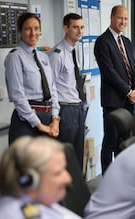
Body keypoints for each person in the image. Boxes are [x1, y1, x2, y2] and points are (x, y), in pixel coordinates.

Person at [94, 5, 135, 174]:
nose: (123, 22)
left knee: (125, 142)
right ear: (112, 17)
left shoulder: (126, 42)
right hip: (113, 102)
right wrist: (128, 92)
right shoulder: (102, 41)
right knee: (110, 142)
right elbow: (109, 72)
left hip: (129, 102)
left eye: (126, 19)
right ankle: (107, 179)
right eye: (120, 18)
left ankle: (123, 176)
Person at [0, 136, 80, 219]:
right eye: (58, 173)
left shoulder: (45, 203)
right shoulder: (12, 215)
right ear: (28, 179)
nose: (68, 179)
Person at [5, 12, 60, 144]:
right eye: (28, 29)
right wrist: (39, 125)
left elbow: (53, 90)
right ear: (20, 31)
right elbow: (17, 96)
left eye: (36, 29)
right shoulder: (15, 57)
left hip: (48, 119)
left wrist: (55, 119)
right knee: (26, 164)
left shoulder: (43, 57)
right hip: (26, 121)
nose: (33, 33)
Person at [48, 13, 85, 170]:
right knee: (64, 157)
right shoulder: (57, 54)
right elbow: (50, 86)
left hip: (77, 107)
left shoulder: (74, 51)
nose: (79, 31)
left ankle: (76, 193)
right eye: (75, 27)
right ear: (65, 28)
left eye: (82, 27)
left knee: (76, 157)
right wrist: (55, 115)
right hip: (65, 109)